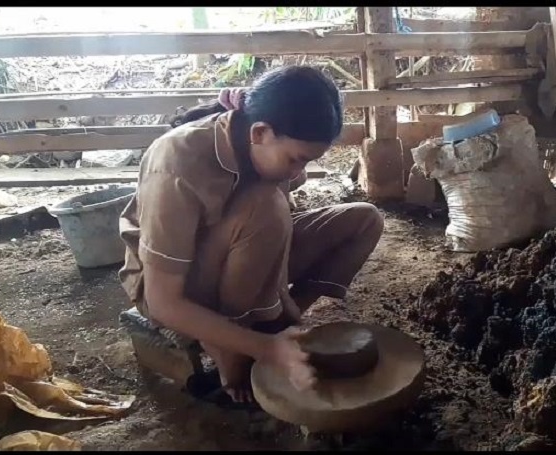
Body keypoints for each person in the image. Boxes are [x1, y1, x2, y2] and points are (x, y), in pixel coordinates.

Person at [119, 65, 384, 404]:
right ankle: (231, 346)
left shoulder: (260, 137)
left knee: (365, 220)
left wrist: (277, 335)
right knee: (265, 205)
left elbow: (276, 206)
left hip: (246, 249)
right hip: (175, 285)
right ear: (259, 133)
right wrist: (263, 349)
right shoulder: (176, 162)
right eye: (296, 159)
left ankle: (282, 324)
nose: (299, 172)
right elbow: (163, 302)